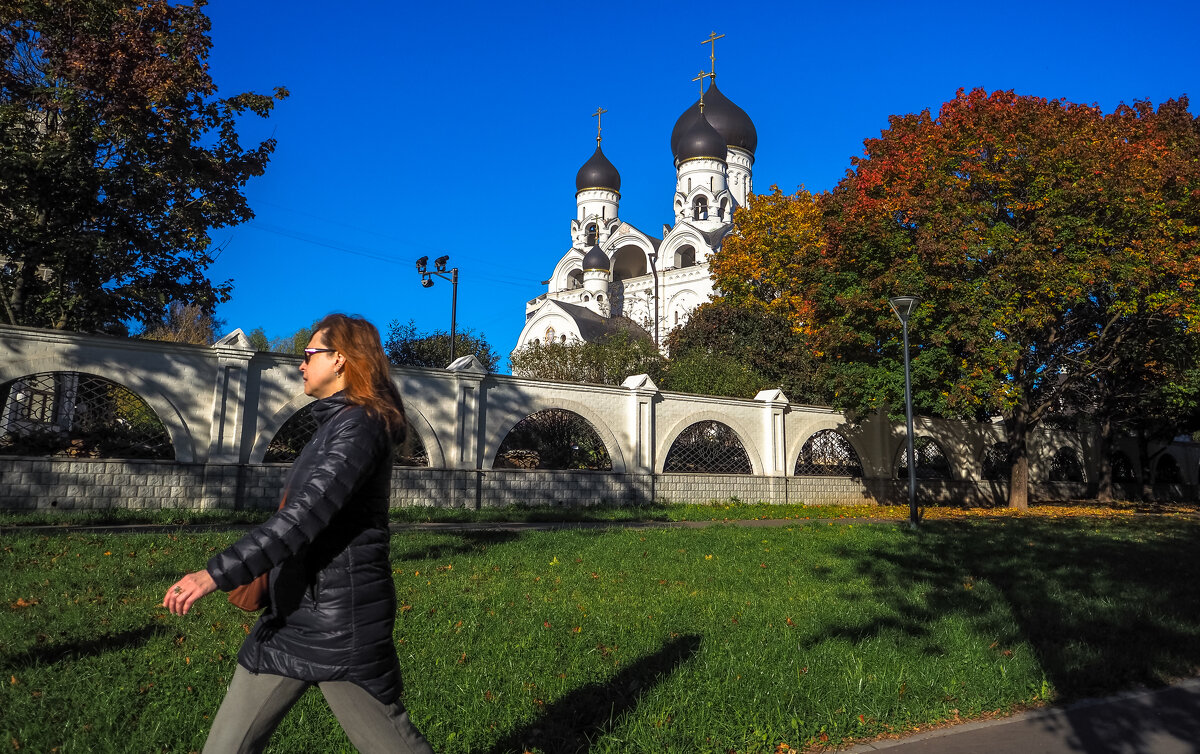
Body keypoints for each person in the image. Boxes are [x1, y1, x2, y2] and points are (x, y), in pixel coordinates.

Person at [163, 313, 434, 754]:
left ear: (341, 360)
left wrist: (215, 574)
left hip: (339, 624)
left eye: (309, 354)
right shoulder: (337, 423)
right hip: (289, 615)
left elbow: (304, 517)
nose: (301, 365)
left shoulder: (361, 426)